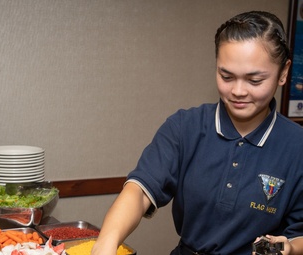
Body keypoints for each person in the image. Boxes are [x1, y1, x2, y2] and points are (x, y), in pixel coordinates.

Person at [91, 10, 303, 255]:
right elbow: (138, 192)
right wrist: (107, 242)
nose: (238, 91)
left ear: (284, 72)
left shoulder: (296, 145)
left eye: (254, 80)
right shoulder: (185, 127)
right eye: (226, 76)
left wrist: (290, 248)